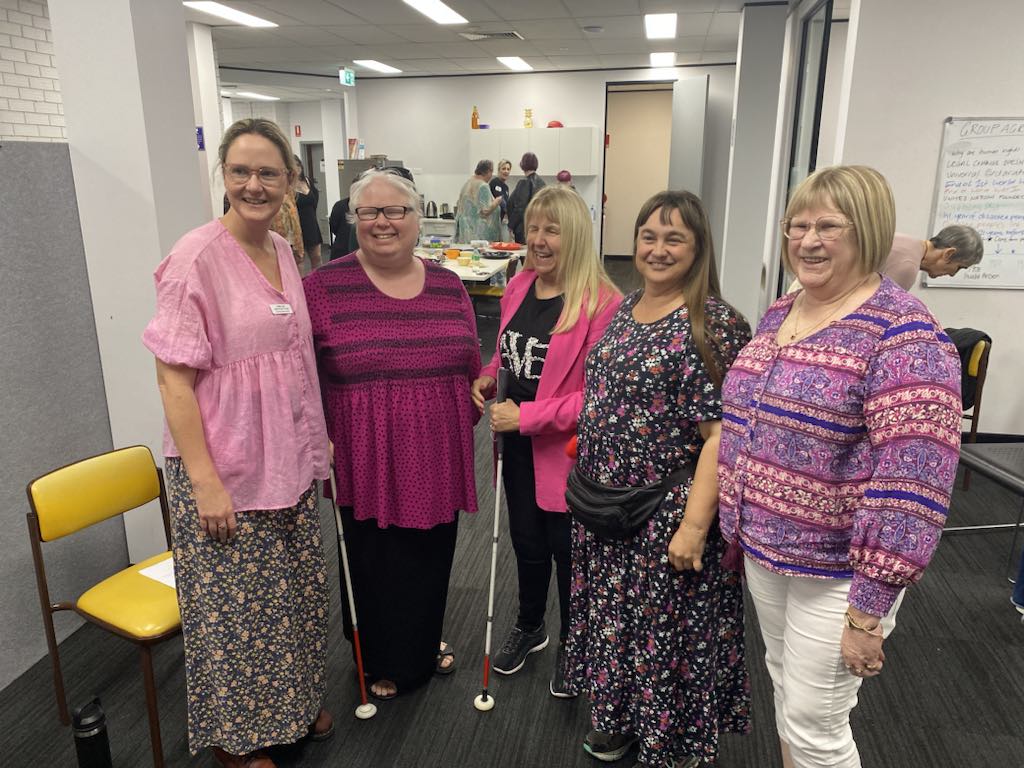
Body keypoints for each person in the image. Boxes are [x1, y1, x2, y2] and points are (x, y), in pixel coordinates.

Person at [718, 165, 962, 768]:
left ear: (870, 231)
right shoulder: (783, 310)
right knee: (787, 689)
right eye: (797, 224)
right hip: (770, 550)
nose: (808, 239)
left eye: (828, 225)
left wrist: (869, 608)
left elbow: (912, 482)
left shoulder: (905, 332)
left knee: (816, 723)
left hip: (840, 574)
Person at [142, 118, 332, 768]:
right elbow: (172, 379)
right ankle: (240, 737)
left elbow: (293, 355)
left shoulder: (281, 249)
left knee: (296, 596)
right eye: (240, 171)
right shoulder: (195, 258)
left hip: (290, 457)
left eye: (268, 173)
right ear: (222, 176)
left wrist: (318, 445)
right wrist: (204, 481)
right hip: (226, 467)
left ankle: (297, 705)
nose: (254, 184)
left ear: (290, 182)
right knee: (237, 615)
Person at [567, 190, 752, 768]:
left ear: (698, 250)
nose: (657, 248)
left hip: (666, 513)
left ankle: (673, 744)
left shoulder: (714, 324)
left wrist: (695, 528)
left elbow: (722, 438)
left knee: (665, 635)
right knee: (617, 623)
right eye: (649, 235)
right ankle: (621, 719)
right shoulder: (627, 305)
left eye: (675, 238)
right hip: (607, 509)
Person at [303, 168, 480, 701]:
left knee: (430, 555)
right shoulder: (324, 286)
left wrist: (478, 395)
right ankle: (378, 656)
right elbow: (301, 374)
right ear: (353, 219)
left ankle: (423, 644)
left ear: (417, 216)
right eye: (369, 212)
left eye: (395, 211)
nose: (383, 222)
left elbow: (470, 360)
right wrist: (318, 434)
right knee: (375, 559)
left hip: (435, 446)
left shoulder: (449, 284)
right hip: (364, 451)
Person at [471, 186, 622, 695]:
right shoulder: (520, 283)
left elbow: (595, 398)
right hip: (516, 447)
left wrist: (528, 417)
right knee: (526, 543)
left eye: (550, 230)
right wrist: (491, 374)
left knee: (567, 552)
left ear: (574, 235)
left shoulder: (603, 302)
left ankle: (576, 643)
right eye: (532, 228)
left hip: (567, 453)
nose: (536, 239)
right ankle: (531, 626)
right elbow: (508, 353)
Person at [883, 224, 984, 288]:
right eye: (959, 267)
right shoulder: (908, 266)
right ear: (948, 254)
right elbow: (878, 313)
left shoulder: (903, 240)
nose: (952, 274)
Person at [455, 159, 502, 243]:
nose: (491, 175)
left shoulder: (467, 183)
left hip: (466, 233)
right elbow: (485, 210)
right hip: (479, 236)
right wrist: (497, 201)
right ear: (488, 171)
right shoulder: (483, 186)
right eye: (491, 172)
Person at [508, 152, 546, 245]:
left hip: (524, 228)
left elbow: (520, 208)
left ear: (522, 165)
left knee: (525, 256)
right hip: (540, 226)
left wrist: (511, 225)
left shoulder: (524, 183)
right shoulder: (542, 183)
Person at [294, 155, 322, 273]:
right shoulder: (287, 185)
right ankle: (300, 288)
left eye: (298, 165)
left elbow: (315, 200)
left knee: (317, 257)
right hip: (297, 227)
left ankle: (318, 284)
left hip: (311, 224)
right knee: (299, 261)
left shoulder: (307, 181)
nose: (296, 169)